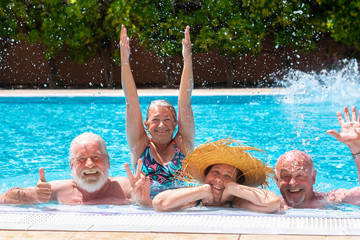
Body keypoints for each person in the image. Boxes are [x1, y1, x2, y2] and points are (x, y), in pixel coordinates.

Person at [120, 25, 195, 189]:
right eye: (155, 120)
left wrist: (187, 59)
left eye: (168, 119)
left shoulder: (183, 144)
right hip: (146, 209)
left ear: (176, 123)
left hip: (182, 209)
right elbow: (131, 103)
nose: (162, 125)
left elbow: (185, 102)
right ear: (146, 124)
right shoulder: (139, 145)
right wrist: (124, 60)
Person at [0, 132, 152, 206]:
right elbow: (5, 197)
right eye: (81, 159)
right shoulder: (59, 189)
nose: (90, 164)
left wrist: (142, 199)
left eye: (96, 157)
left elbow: (154, 205)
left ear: (108, 162)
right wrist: (35, 196)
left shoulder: (123, 187)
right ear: (71, 166)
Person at [152, 139, 281, 213]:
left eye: (228, 176)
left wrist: (232, 188)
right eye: (215, 172)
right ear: (206, 175)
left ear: (236, 183)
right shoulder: (193, 199)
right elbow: (159, 203)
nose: (219, 179)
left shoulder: (238, 202)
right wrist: (204, 190)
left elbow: (273, 202)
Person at [275, 106, 360, 209]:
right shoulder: (269, 203)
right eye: (285, 176)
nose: (292, 182)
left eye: (300, 175)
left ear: (313, 178)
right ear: (277, 180)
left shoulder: (330, 199)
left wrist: (356, 147)